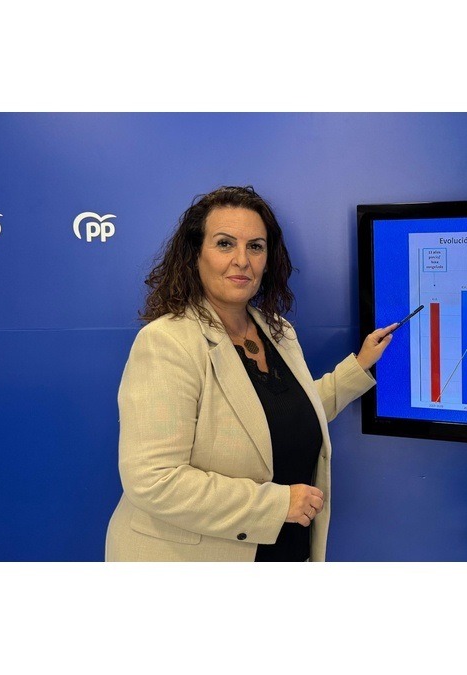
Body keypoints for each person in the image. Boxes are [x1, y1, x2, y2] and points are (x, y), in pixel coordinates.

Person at [105, 185, 396, 562]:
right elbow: (153, 479)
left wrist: (359, 366)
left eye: (255, 247)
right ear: (195, 255)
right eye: (225, 244)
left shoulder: (278, 331)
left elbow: (286, 416)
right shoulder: (167, 342)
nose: (242, 260)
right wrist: (277, 505)